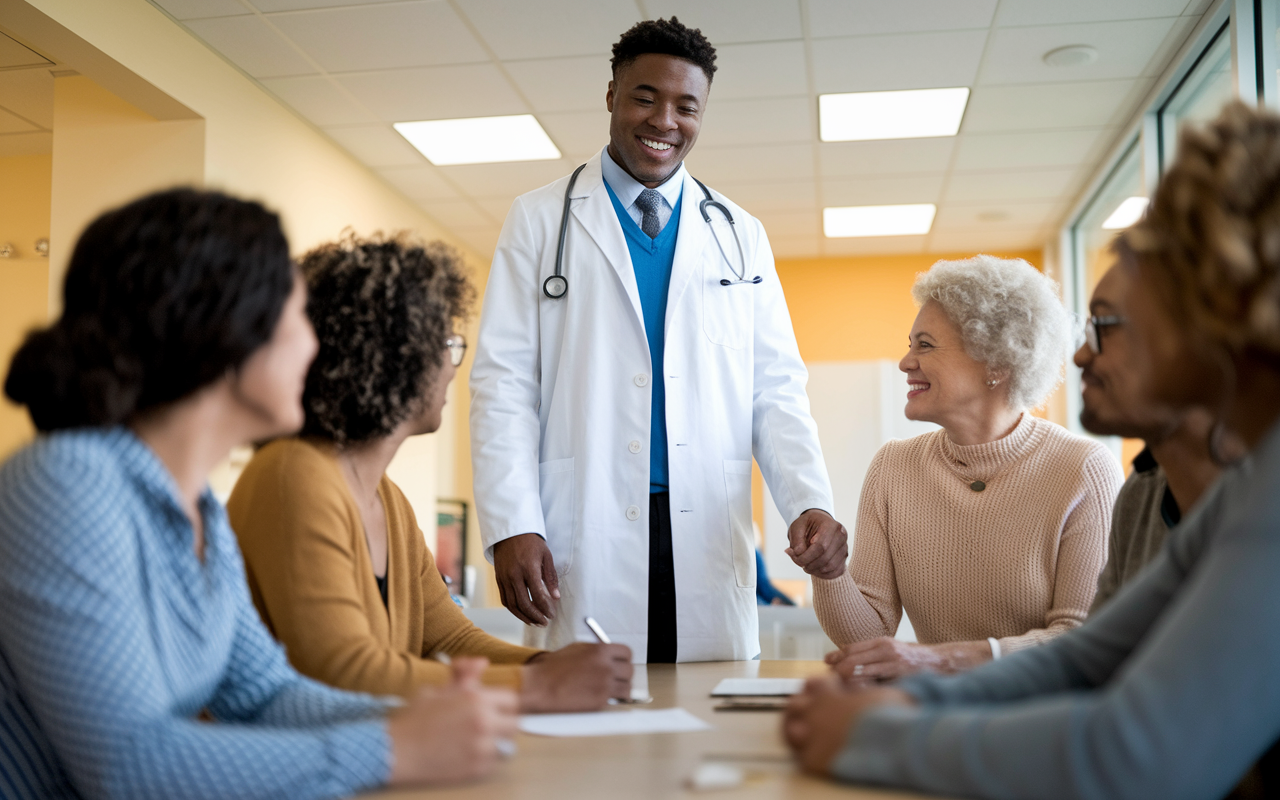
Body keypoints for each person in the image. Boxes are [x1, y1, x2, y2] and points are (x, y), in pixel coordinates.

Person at [783, 101, 1280, 800]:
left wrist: (876, 735)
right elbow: (1088, 657)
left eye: (1108, 325)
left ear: (1221, 312)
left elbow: (1131, 752)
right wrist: (906, 702)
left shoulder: (1240, 492)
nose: (1080, 350)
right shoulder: (1225, 491)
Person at [0, 189, 517, 800]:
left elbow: (266, 693)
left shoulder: (200, 513)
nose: (312, 345)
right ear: (230, 328)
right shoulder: (66, 481)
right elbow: (128, 765)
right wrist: (394, 746)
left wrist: (430, 723)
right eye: (298, 317)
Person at [469, 17, 845, 663]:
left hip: (705, 525)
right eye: (646, 97)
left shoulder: (739, 233)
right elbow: (503, 384)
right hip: (584, 524)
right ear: (612, 95)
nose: (664, 120)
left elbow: (776, 388)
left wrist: (807, 499)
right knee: (593, 718)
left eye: (686, 106)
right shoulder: (538, 220)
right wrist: (514, 525)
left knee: (709, 717)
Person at [227, 233, 632, 710]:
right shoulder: (292, 474)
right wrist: (539, 688)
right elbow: (343, 672)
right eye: (446, 342)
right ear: (392, 357)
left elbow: (448, 639)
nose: (450, 365)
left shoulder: (388, 500)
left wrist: (547, 667)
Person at [813, 255, 1124, 680]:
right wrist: (830, 574)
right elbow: (869, 634)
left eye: (925, 344)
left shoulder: (1084, 469)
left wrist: (943, 661)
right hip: (940, 715)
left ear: (995, 362)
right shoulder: (893, 467)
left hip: (1042, 720)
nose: (905, 362)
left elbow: (1079, 638)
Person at [1074, 263, 1227, 612]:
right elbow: (1096, 654)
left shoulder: (1260, 498)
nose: (1080, 355)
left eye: (1102, 326)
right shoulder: (1140, 492)